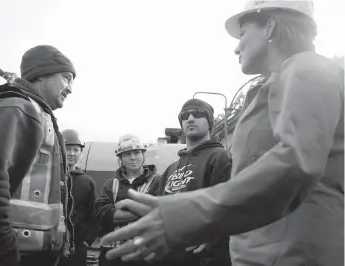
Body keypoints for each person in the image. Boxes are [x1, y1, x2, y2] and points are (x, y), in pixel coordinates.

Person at [99, 1, 344, 265]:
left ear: (270, 26)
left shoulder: (308, 70)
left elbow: (297, 163)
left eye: (242, 34)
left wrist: (189, 216)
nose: (236, 47)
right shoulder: (277, 83)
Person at [0, 45, 76, 266]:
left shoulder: (38, 115)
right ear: (40, 74)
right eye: (66, 77)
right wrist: (2, 253)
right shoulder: (15, 107)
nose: (70, 88)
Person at [156, 98, 232, 266]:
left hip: (204, 259)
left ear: (210, 122)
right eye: (184, 116)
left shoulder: (220, 157)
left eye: (197, 114)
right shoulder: (170, 169)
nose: (190, 119)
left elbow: (227, 208)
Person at [94, 134, 161, 266]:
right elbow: (101, 213)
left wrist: (126, 204)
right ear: (121, 158)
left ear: (143, 154)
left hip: (144, 255)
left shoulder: (158, 181)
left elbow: (160, 213)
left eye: (136, 152)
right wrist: (142, 211)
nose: (132, 157)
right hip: (112, 254)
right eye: (127, 154)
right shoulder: (111, 183)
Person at [60, 129, 97, 266]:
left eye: (76, 150)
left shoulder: (87, 182)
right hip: (50, 247)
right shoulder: (50, 179)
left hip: (77, 250)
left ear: (81, 153)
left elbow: (93, 216)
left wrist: (87, 242)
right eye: (67, 148)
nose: (71, 153)